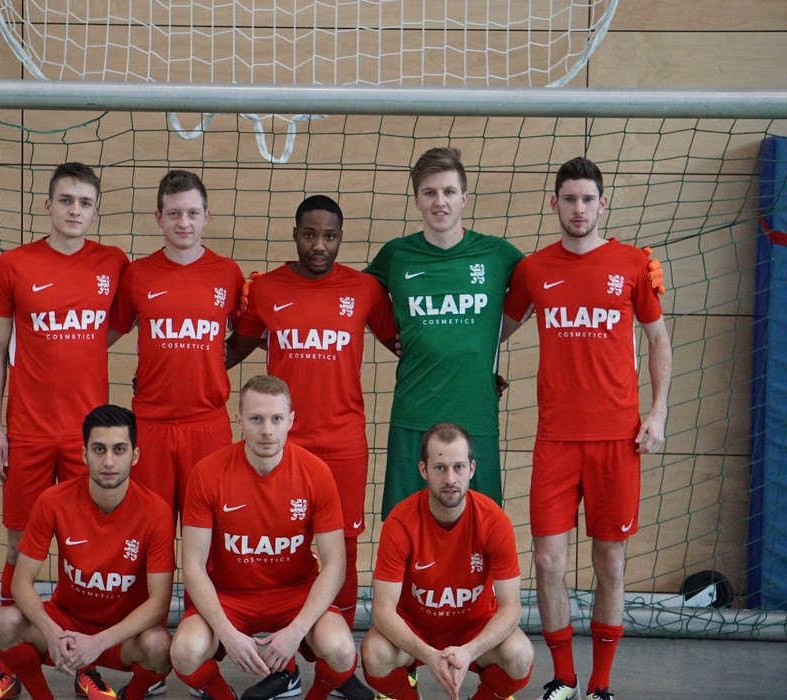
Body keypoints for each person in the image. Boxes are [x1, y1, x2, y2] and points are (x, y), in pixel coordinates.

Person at [502, 157, 672, 700]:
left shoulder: (631, 263)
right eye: (569, 199)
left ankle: (599, 685)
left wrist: (658, 411)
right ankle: (564, 679)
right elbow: (494, 331)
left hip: (617, 441)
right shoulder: (533, 269)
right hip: (555, 440)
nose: (579, 208)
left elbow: (658, 339)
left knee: (610, 564)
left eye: (588, 199)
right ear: (554, 204)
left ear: (603, 204)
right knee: (547, 561)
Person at [0, 162, 131, 700]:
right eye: (66, 200)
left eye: (85, 202)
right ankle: (10, 666)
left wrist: (79, 350)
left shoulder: (113, 263)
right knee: (20, 547)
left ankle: (85, 663)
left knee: (87, 555)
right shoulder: (13, 265)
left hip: (90, 440)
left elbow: (116, 325)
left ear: (96, 210)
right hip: (29, 433)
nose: (74, 210)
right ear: (48, 205)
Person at [225, 194, 398, 635]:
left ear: (341, 238)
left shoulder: (365, 289)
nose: (319, 245)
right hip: (282, 444)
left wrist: (479, 373)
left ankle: (336, 660)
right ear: (295, 235)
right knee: (282, 545)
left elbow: (407, 344)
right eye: (309, 235)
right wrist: (172, 367)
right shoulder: (266, 289)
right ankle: (284, 651)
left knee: (344, 548)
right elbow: (231, 351)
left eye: (330, 236)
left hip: (344, 444)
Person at [170, 375, 362, 700]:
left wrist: (296, 631)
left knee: (343, 651)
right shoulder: (207, 472)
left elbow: (335, 565)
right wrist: (227, 634)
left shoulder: (316, 473)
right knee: (184, 652)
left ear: (291, 421)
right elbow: (192, 566)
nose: (267, 430)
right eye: (256, 419)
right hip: (230, 595)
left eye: (276, 419)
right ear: (239, 421)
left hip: (295, 592)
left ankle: (310, 692)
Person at [365, 147, 523, 519]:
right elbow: (357, 296)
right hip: (413, 417)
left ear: (464, 197)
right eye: (430, 192)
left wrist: (486, 343)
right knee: (405, 530)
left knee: (481, 530)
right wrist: (392, 336)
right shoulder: (396, 255)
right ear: (417, 200)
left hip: (476, 416)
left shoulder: (497, 254)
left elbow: (546, 284)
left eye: (449, 192)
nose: (440, 201)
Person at [0, 404, 175, 700]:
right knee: (3, 623)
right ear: (84, 454)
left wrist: (99, 642)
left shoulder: (156, 511)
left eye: (119, 449)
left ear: (135, 456)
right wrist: (51, 632)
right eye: (99, 449)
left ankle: (132, 696)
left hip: (120, 635)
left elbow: (159, 603)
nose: (108, 461)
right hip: (66, 624)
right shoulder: (53, 501)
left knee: (160, 647)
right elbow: (21, 584)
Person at [361, 422, 533, 700]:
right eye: (440, 468)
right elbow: (382, 610)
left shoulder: (494, 521)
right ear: (424, 470)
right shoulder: (400, 521)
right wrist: (427, 654)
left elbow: (511, 607)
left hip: (474, 628)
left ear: (472, 469)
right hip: (415, 628)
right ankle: (406, 691)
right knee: (374, 652)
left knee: (520, 653)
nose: (450, 478)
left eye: (459, 467)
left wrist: (470, 651)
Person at [117, 169, 244, 516]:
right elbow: (103, 335)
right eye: (173, 213)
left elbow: (253, 333)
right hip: (151, 425)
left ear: (206, 216)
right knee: (149, 528)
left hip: (208, 425)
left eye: (192, 213)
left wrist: (220, 358)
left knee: (206, 531)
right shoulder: (137, 274)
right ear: (159, 218)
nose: (183, 222)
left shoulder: (228, 273)